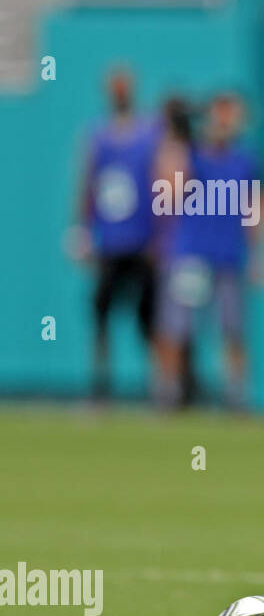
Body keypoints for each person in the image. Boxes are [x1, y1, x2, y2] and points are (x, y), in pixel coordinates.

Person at [155, 92, 262, 410]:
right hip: (190, 255)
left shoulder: (246, 158)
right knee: (176, 328)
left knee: (232, 328)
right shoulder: (190, 152)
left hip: (229, 255)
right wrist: (178, 135)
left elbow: (253, 208)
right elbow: (168, 189)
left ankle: (236, 396)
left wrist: (258, 254)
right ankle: (169, 392)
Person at [73, 68, 162, 401]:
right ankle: (100, 388)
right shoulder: (97, 135)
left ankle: (160, 390)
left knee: (149, 319)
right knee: (101, 316)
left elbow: (160, 182)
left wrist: (159, 235)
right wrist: (82, 230)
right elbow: (87, 184)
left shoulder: (149, 134)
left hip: (141, 242)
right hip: (109, 242)